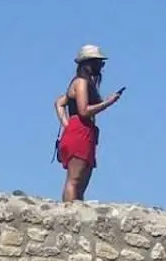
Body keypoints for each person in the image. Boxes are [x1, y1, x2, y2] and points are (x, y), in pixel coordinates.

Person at [54, 44, 123, 202]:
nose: (101, 66)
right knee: (75, 179)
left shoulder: (81, 83)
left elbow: (59, 103)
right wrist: (108, 102)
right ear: (88, 64)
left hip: (82, 131)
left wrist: (67, 125)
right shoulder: (81, 83)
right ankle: (69, 211)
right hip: (80, 131)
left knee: (81, 179)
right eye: (98, 62)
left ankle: (75, 208)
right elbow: (84, 110)